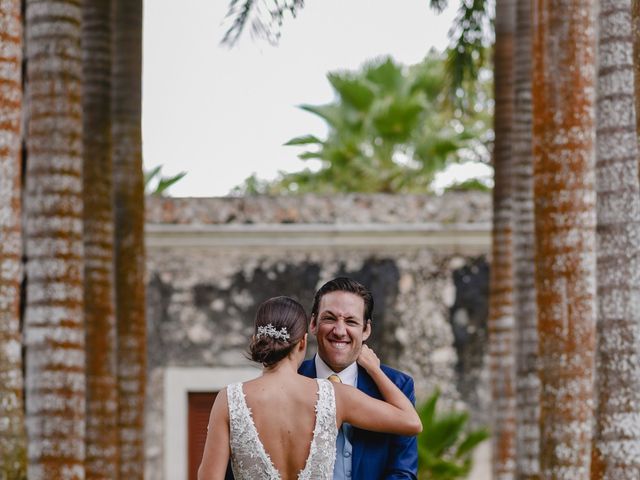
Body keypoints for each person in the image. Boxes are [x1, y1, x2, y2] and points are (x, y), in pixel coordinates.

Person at [198, 296, 421, 480]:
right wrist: (374, 369)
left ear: (256, 339)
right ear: (303, 342)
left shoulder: (230, 399)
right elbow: (411, 422)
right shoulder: (333, 396)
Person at [298, 277, 418, 479]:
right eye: (329, 318)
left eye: (351, 321)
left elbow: (402, 472)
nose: (339, 331)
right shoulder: (292, 377)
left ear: (366, 330)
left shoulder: (398, 385)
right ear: (313, 323)